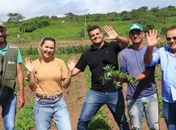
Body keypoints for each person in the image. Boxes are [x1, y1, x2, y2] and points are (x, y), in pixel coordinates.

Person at [70, 25, 130, 130]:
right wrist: (69, 70)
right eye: (92, 35)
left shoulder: (112, 46)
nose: (95, 36)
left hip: (114, 91)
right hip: (96, 92)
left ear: (102, 34)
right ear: (90, 38)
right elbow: (75, 71)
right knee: (83, 120)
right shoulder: (87, 54)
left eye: (97, 34)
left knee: (122, 121)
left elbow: (126, 43)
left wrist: (117, 37)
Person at [24, 37, 75, 130]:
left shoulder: (60, 63)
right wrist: (31, 72)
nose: (48, 50)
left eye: (51, 48)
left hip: (59, 103)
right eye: (46, 47)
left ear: (54, 49)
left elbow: (65, 85)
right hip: (42, 104)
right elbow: (32, 87)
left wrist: (70, 72)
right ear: (41, 47)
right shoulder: (34, 64)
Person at [119, 22, 159, 130]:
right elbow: (123, 73)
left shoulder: (152, 50)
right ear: (129, 36)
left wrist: (133, 78)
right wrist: (119, 79)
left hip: (151, 94)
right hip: (133, 97)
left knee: (154, 126)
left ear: (143, 34)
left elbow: (149, 71)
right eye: (132, 33)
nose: (135, 35)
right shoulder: (124, 54)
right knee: (136, 127)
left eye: (138, 32)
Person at [144, 25, 176, 130]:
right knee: (171, 127)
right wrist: (149, 47)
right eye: (169, 38)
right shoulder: (162, 51)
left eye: (175, 38)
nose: (172, 40)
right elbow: (148, 62)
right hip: (168, 100)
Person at [0, 21, 25, 130]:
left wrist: (21, 94)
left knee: (10, 126)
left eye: (1, 30)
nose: (0, 34)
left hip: (10, 93)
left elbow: (19, 73)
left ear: (6, 31)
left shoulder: (14, 50)